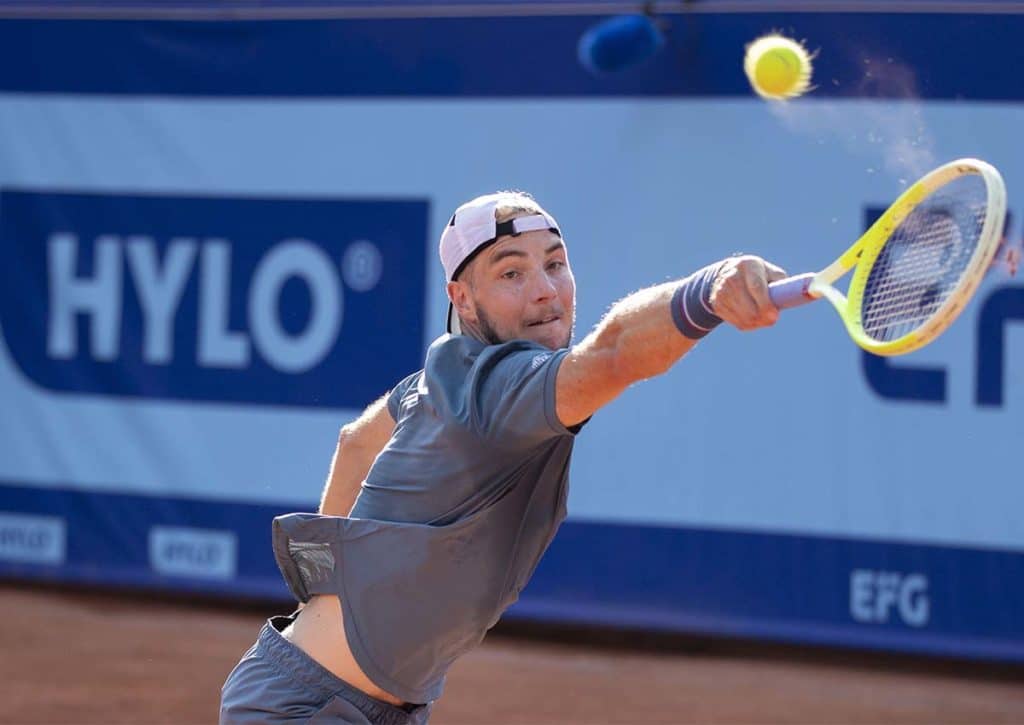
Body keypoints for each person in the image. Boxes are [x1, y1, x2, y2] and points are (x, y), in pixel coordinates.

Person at [220, 191, 785, 724]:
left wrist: (325, 599)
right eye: (511, 273)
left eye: (555, 264)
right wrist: (707, 290)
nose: (545, 290)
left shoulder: (441, 380)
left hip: (342, 698)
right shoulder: (494, 390)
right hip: (301, 710)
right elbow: (612, 353)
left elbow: (355, 442)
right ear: (461, 298)